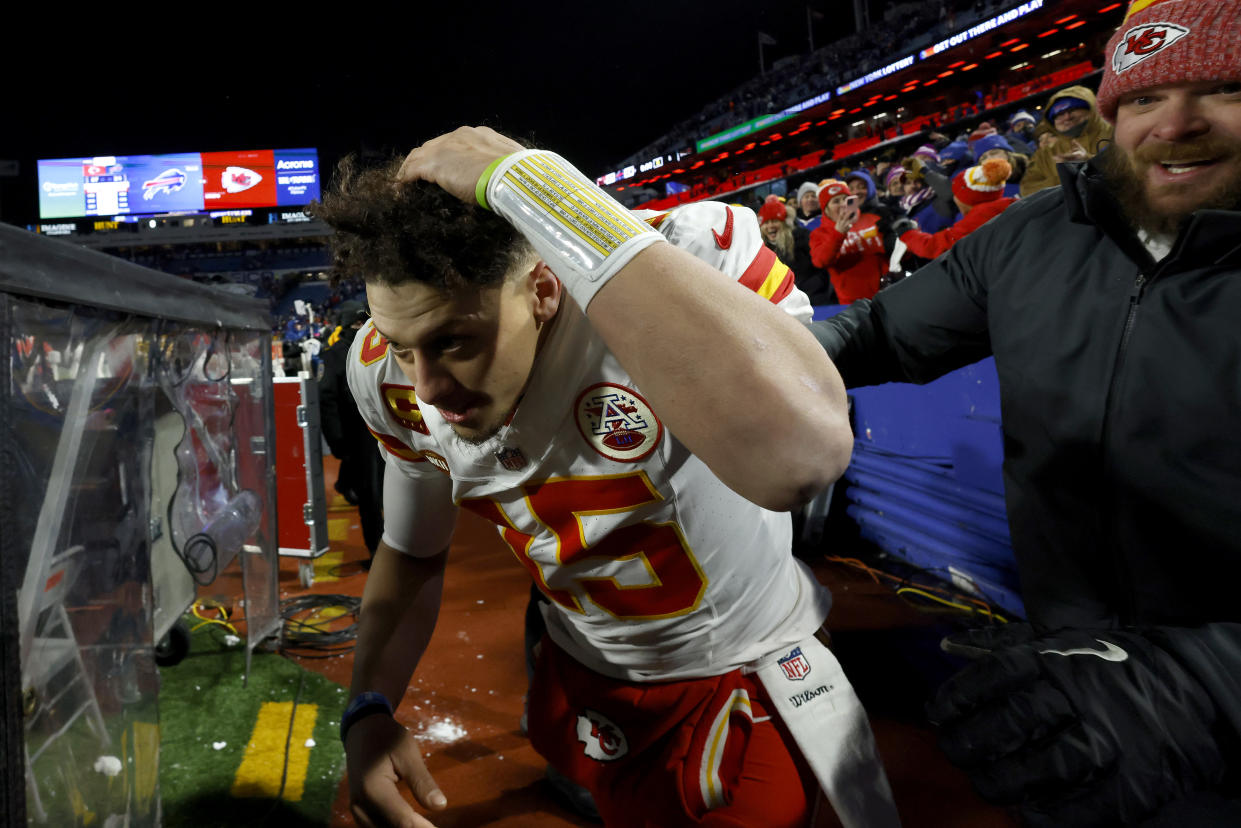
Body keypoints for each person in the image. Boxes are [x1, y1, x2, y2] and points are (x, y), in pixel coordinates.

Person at [314, 134, 900, 828]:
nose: (429, 388)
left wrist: (536, 183)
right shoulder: (383, 370)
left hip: (741, 670)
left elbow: (801, 460)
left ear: (541, 288)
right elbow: (413, 552)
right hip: (581, 668)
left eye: (454, 342)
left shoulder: (680, 266)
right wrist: (368, 703)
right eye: (406, 347)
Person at [812, 0, 1241, 823]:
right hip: (1066, 701)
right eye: (1144, 98)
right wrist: (734, 347)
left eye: (1220, 88)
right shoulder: (1040, 233)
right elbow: (872, 333)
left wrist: (1198, 687)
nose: (1173, 125)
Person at [318, 300, 385, 561]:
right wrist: (337, 441)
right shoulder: (337, 355)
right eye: (360, 323)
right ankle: (379, 553)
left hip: (371, 436)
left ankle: (384, 551)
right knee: (372, 497)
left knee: (377, 495)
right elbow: (327, 401)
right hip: (362, 435)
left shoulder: (370, 350)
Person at [895, 158, 1015, 260]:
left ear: (966, 198)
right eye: (907, 183)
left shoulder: (977, 220)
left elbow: (934, 246)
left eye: (956, 193)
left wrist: (907, 234)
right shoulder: (1010, 204)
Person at [1020, 85, 1114, 197]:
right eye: (1059, 114)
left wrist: (1089, 163)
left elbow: (1132, 169)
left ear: (1091, 108)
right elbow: (1027, 189)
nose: (1067, 117)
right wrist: (1066, 179)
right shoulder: (1045, 154)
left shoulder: (1117, 132)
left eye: (1072, 109)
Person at [810, 179, 894, 304]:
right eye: (836, 201)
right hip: (855, 304)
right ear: (826, 210)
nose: (843, 204)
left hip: (888, 293)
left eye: (846, 199)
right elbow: (820, 261)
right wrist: (838, 234)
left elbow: (895, 253)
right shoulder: (819, 234)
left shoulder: (873, 219)